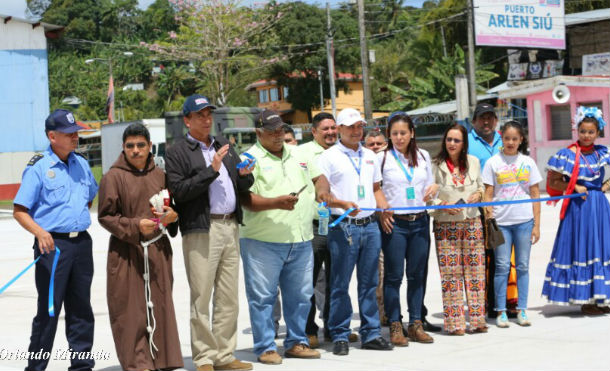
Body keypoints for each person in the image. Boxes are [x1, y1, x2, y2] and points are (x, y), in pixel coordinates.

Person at [165, 94, 254, 371]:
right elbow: (180, 192)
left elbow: (242, 184)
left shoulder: (223, 144)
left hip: (230, 225)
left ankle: (225, 356)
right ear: (187, 120)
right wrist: (212, 169)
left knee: (228, 297)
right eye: (200, 115)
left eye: (209, 114)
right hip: (202, 229)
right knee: (201, 296)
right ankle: (204, 357)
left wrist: (246, 173)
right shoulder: (177, 152)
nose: (206, 119)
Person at [239, 109, 336, 365]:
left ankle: (297, 342)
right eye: (270, 132)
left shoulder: (299, 153)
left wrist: (322, 192)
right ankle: (265, 346)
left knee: (301, 295)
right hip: (262, 242)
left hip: (301, 238)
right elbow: (245, 199)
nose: (277, 136)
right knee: (263, 297)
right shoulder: (248, 159)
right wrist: (275, 203)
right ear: (257, 133)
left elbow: (320, 178)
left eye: (280, 130)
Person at [13, 109, 98, 371]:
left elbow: (90, 196)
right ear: (52, 136)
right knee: (49, 311)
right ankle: (36, 368)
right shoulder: (39, 167)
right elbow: (20, 211)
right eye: (69, 134)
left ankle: (81, 366)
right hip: (53, 248)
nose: (76, 138)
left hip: (81, 244)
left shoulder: (81, 163)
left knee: (81, 309)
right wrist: (40, 232)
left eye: (77, 133)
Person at [98, 123, 183, 370]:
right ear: (123, 148)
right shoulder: (112, 177)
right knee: (129, 310)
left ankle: (163, 359)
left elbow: (173, 209)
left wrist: (172, 216)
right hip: (127, 252)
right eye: (130, 146)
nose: (135, 150)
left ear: (149, 147)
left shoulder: (161, 175)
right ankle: (138, 362)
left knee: (161, 303)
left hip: (158, 249)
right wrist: (135, 226)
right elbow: (105, 216)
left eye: (140, 145)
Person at [318, 108, 394, 356]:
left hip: (370, 225)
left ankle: (371, 333)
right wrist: (342, 205)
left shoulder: (371, 155)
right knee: (340, 283)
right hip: (343, 227)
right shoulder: (328, 157)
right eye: (350, 126)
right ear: (339, 129)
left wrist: (384, 207)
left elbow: (375, 189)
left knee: (370, 283)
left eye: (359, 125)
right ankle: (339, 333)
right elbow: (322, 195)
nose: (356, 130)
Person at [543, 106, 610, 314]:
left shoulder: (602, 152)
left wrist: (607, 184)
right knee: (584, 249)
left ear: (598, 132)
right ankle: (585, 300)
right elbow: (554, 182)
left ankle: (601, 298)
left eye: (591, 132)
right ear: (577, 131)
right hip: (579, 209)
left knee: (602, 249)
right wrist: (574, 187)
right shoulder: (567, 154)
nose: (587, 136)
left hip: (599, 207)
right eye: (583, 131)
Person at [378, 112, 437, 346]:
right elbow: (375, 188)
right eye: (394, 134)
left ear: (412, 133)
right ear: (389, 136)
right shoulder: (382, 158)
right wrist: (382, 210)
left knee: (417, 275)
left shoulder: (423, 155)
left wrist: (434, 189)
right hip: (396, 224)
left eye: (403, 133)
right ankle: (395, 324)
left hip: (420, 221)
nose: (399, 138)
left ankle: (416, 323)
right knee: (393, 277)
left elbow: (430, 185)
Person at [483, 121, 542, 327]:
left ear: (521, 140)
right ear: (502, 138)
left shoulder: (528, 162)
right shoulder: (492, 163)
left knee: (523, 266)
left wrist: (537, 224)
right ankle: (501, 311)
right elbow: (488, 193)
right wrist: (489, 218)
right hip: (501, 223)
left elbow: (535, 193)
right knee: (501, 266)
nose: (510, 142)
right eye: (507, 138)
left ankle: (522, 310)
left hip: (524, 222)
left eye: (514, 139)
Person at [431, 123, 486, 335]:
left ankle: (478, 320)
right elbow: (428, 196)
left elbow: (481, 186)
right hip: (446, 225)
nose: (452, 144)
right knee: (451, 275)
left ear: (464, 144)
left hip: (472, 223)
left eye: (457, 140)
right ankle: (455, 324)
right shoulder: (436, 164)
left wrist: (478, 195)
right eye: (449, 139)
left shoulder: (473, 162)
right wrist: (440, 204)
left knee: (476, 273)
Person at [467, 103, 519, 317]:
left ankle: (509, 301)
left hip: (506, 207)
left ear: (496, 120)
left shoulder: (504, 138)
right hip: (480, 209)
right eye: (482, 118)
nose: (486, 122)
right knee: (487, 257)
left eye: (490, 117)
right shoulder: (467, 142)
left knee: (507, 257)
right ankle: (491, 304)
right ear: (474, 121)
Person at [364, 129, 389, 326]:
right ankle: (379, 315)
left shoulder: (391, 164)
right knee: (376, 276)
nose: (375, 147)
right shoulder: (364, 166)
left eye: (378, 144)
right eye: (370, 144)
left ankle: (391, 312)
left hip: (392, 226)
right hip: (371, 225)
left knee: (392, 274)